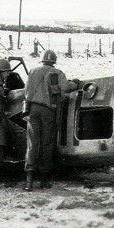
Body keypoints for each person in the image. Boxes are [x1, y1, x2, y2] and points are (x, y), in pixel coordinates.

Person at [23, 50, 79, 191]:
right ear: (54, 61)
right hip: (48, 112)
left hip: (33, 110)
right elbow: (66, 88)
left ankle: (28, 182)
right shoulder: (57, 73)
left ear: (42, 60)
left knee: (32, 144)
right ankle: (43, 180)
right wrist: (76, 83)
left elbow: (26, 92)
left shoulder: (32, 71)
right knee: (47, 144)